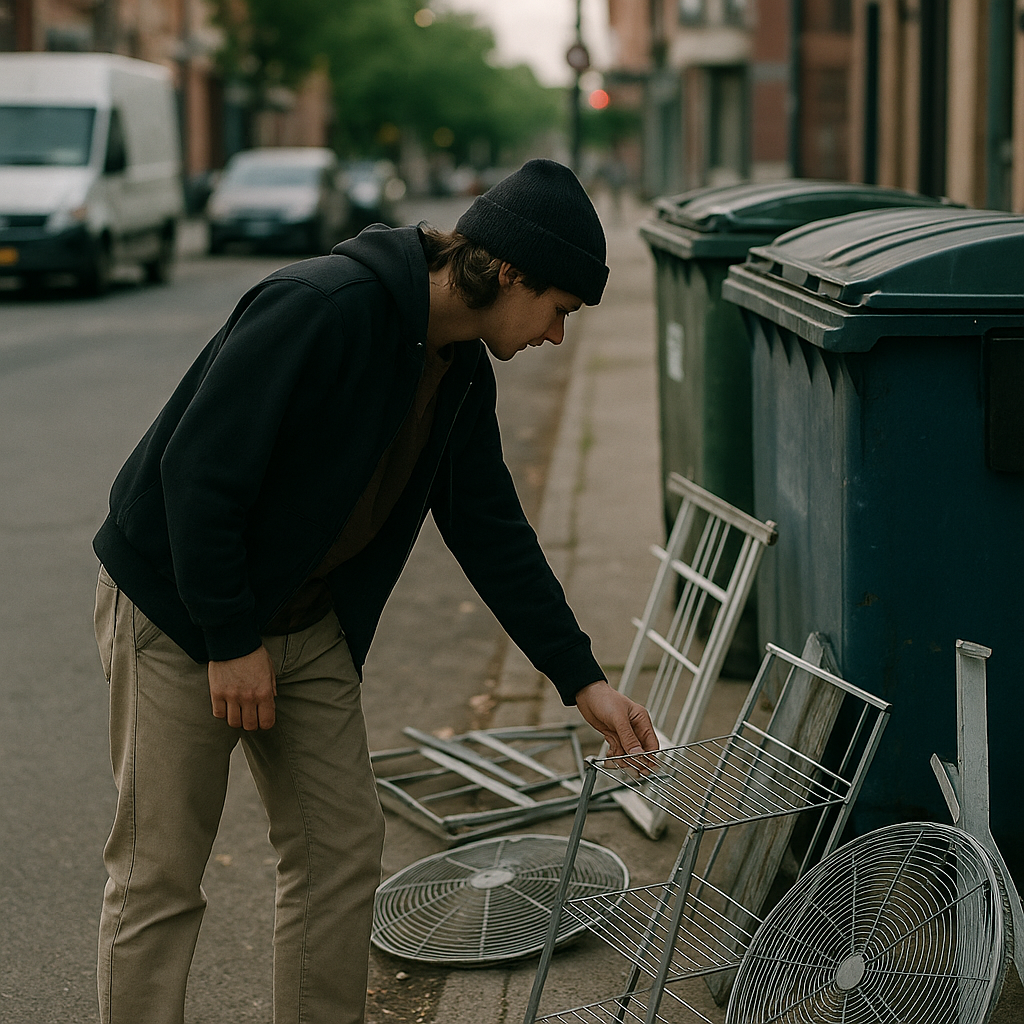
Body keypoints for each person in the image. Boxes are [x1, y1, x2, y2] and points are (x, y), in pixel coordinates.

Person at [91, 158, 658, 1024]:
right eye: (559, 309)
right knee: (160, 872)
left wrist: (582, 679)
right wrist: (229, 639)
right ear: (507, 271)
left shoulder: (462, 367)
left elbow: (490, 527)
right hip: (179, 608)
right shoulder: (320, 307)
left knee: (341, 852)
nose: (556, 335)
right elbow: (195, 475)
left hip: (303, 617)